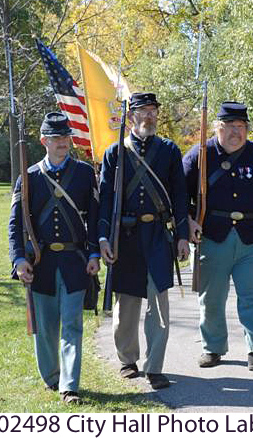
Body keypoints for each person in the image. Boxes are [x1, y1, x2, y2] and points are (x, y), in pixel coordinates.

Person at [183, 101, 253, 371]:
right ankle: (212, 348)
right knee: (211, 298)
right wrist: (187, 221)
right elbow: (178, 193)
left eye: (241, 126)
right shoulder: (200, 154)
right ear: (217, 127)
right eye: (230, 126)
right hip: (212, 237)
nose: (236, 132)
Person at [98, 92, 190, 389]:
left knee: (159, 304)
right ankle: (127, 359)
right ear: (131, 116)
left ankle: (155, 366)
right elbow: (105, 199)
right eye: (143, 111)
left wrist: (182, 236)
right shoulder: (115, 153)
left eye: (153, 111)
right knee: (126, 304)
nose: (149, 116)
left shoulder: (169, 151)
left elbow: (179, 195)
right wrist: (103, 237)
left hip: (158, 236)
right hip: (126, 238)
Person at [8, 112, 100, 404]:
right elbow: (16, 224)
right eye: (56, 138)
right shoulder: (29, 176)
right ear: (43, 141)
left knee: (72, 324)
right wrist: (19, 259)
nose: (62, 142)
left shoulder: (84, 173)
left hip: (75, 261)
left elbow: (94, 217)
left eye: (65, 137)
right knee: (46, 328)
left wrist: (94, 253)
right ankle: (51, 377)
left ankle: (69, 385)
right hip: (42, 264)